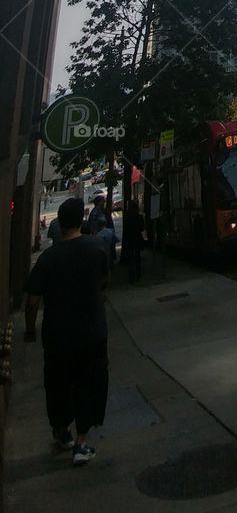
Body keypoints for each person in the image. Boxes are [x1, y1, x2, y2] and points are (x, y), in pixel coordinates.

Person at [24, 197, 109, 466]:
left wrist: (29, 330)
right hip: (91, 333)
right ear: (81, 219)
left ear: (60, 222)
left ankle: (62, 431)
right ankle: (82, 443)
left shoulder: (49, 258)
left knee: (58, 385)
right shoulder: (97, 248)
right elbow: (104, 284)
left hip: (58, 337)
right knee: (88, 384)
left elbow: (32, 299)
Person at [122, 200, 146, 284]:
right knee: (137, 257)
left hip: (130, 240)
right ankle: (138, 274)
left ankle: (132, 277)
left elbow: (126, 230)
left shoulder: (127, 218)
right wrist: (144, 239)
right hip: (137, 239)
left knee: (131, 258)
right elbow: (142, 229)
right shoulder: (139, 217)